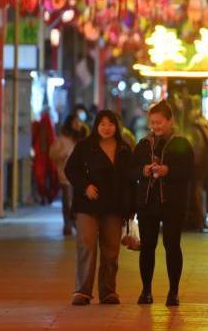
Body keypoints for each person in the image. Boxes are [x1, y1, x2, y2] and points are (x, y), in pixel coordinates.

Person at [65, 110, 137, 306]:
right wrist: (85, 186)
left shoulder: (124, 148)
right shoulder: (85, 146)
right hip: (87, 205)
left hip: (114, 206)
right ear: (96, 125)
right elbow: (70, 169)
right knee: (86, 245)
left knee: (111, 250)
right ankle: (82, 291)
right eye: (102, 124)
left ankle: (108, 291)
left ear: (116, 126)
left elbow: (130, 179)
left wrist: (131, 207)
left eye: (110, 124)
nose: (106, 128)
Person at [132, 100, 194, 307]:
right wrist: (144, 170)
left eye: (159, 122)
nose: (155, 126)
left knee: (172, 246)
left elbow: (190, 172)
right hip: (147, 204)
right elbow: (131, 170)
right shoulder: (143, 144)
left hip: (173, 204)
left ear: (170, 121)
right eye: (152, 122)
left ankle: (173, 292)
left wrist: (168, 171)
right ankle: (146, 291)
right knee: (147, 247)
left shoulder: (182, 144)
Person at [49, 114, 86, 236]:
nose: (77, 125)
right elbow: (52, 154)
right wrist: (62, 155)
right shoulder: (62, 139)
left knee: (79, 201)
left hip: (81, 176)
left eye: (79, 122)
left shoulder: (83, 138)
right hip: (66, 176)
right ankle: (68, 224)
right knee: (67, 201)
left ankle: (76, 222)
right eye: (75, 122)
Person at [32, 109, 59, 204]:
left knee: (45, 177)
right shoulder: (45, 130)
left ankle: (46, 196)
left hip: (45, 158)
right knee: (42, 178)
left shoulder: (45, 130)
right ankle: (45, 196)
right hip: (43, 158)